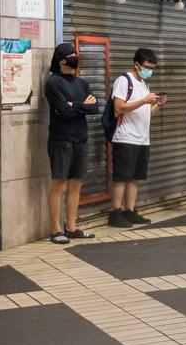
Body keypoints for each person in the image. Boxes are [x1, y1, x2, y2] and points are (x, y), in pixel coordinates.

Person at [44, 42, 99, 244]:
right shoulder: (53, 83)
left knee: (76, 184)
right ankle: (56, 229)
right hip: (61, 139)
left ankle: (72, 227)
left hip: (81, 139)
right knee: (59, 184)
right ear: (61, 60)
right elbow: (63, 112)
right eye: (72, 55)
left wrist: (73, 105)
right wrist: (82, 106)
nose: (76, 57)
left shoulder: (82, 83)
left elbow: (95, 109)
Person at [107, 48, 165, 229]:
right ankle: (115, 212)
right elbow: (119, 108)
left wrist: (157, 105)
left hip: (142, 139)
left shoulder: (144, 85)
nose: (149, 71)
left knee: (134, 178)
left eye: (152, 68)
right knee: (122, 177)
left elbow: (146, 113)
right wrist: (145, 100)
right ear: (137, 65)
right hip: (125, 137)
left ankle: (130, 211)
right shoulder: (124, 81)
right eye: (147, 67)